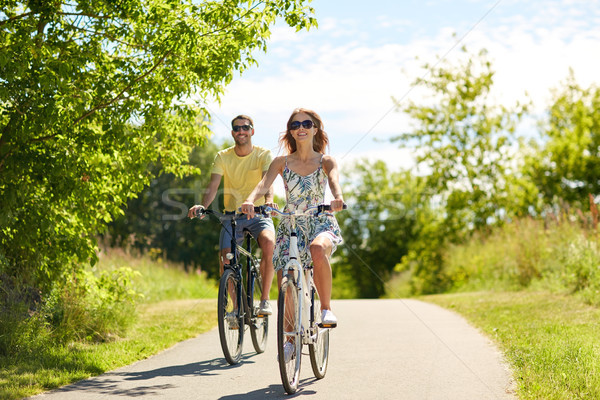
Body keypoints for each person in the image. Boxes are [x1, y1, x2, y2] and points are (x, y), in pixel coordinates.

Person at [241, 108, 344, 326]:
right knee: (286, 276)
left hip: (320, 220)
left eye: (306, 124)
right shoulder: (281, 162)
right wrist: (250, 201)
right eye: (295, 125)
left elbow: (334, 181)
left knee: (317, 249)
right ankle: (288, 340)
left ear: (315, 129)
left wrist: (337, 198)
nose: (301, 128)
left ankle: (326, 309)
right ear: (291, 132)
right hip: (291, 224)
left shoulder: (326, 161)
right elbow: (263, 185)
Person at [188, 115, 276, 315]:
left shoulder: (263, 154)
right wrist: (202, 205)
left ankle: (264, 301)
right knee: (226, 259)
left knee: (269, 244)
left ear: (252, 131)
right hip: (232, 217)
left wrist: (269, 201)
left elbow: (266, 183)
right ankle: (236, 309)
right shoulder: (223, 156)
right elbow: (213, 185)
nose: (241, 131)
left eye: (245, 127)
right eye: (237, 128)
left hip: (259, 214)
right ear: (232, 133)